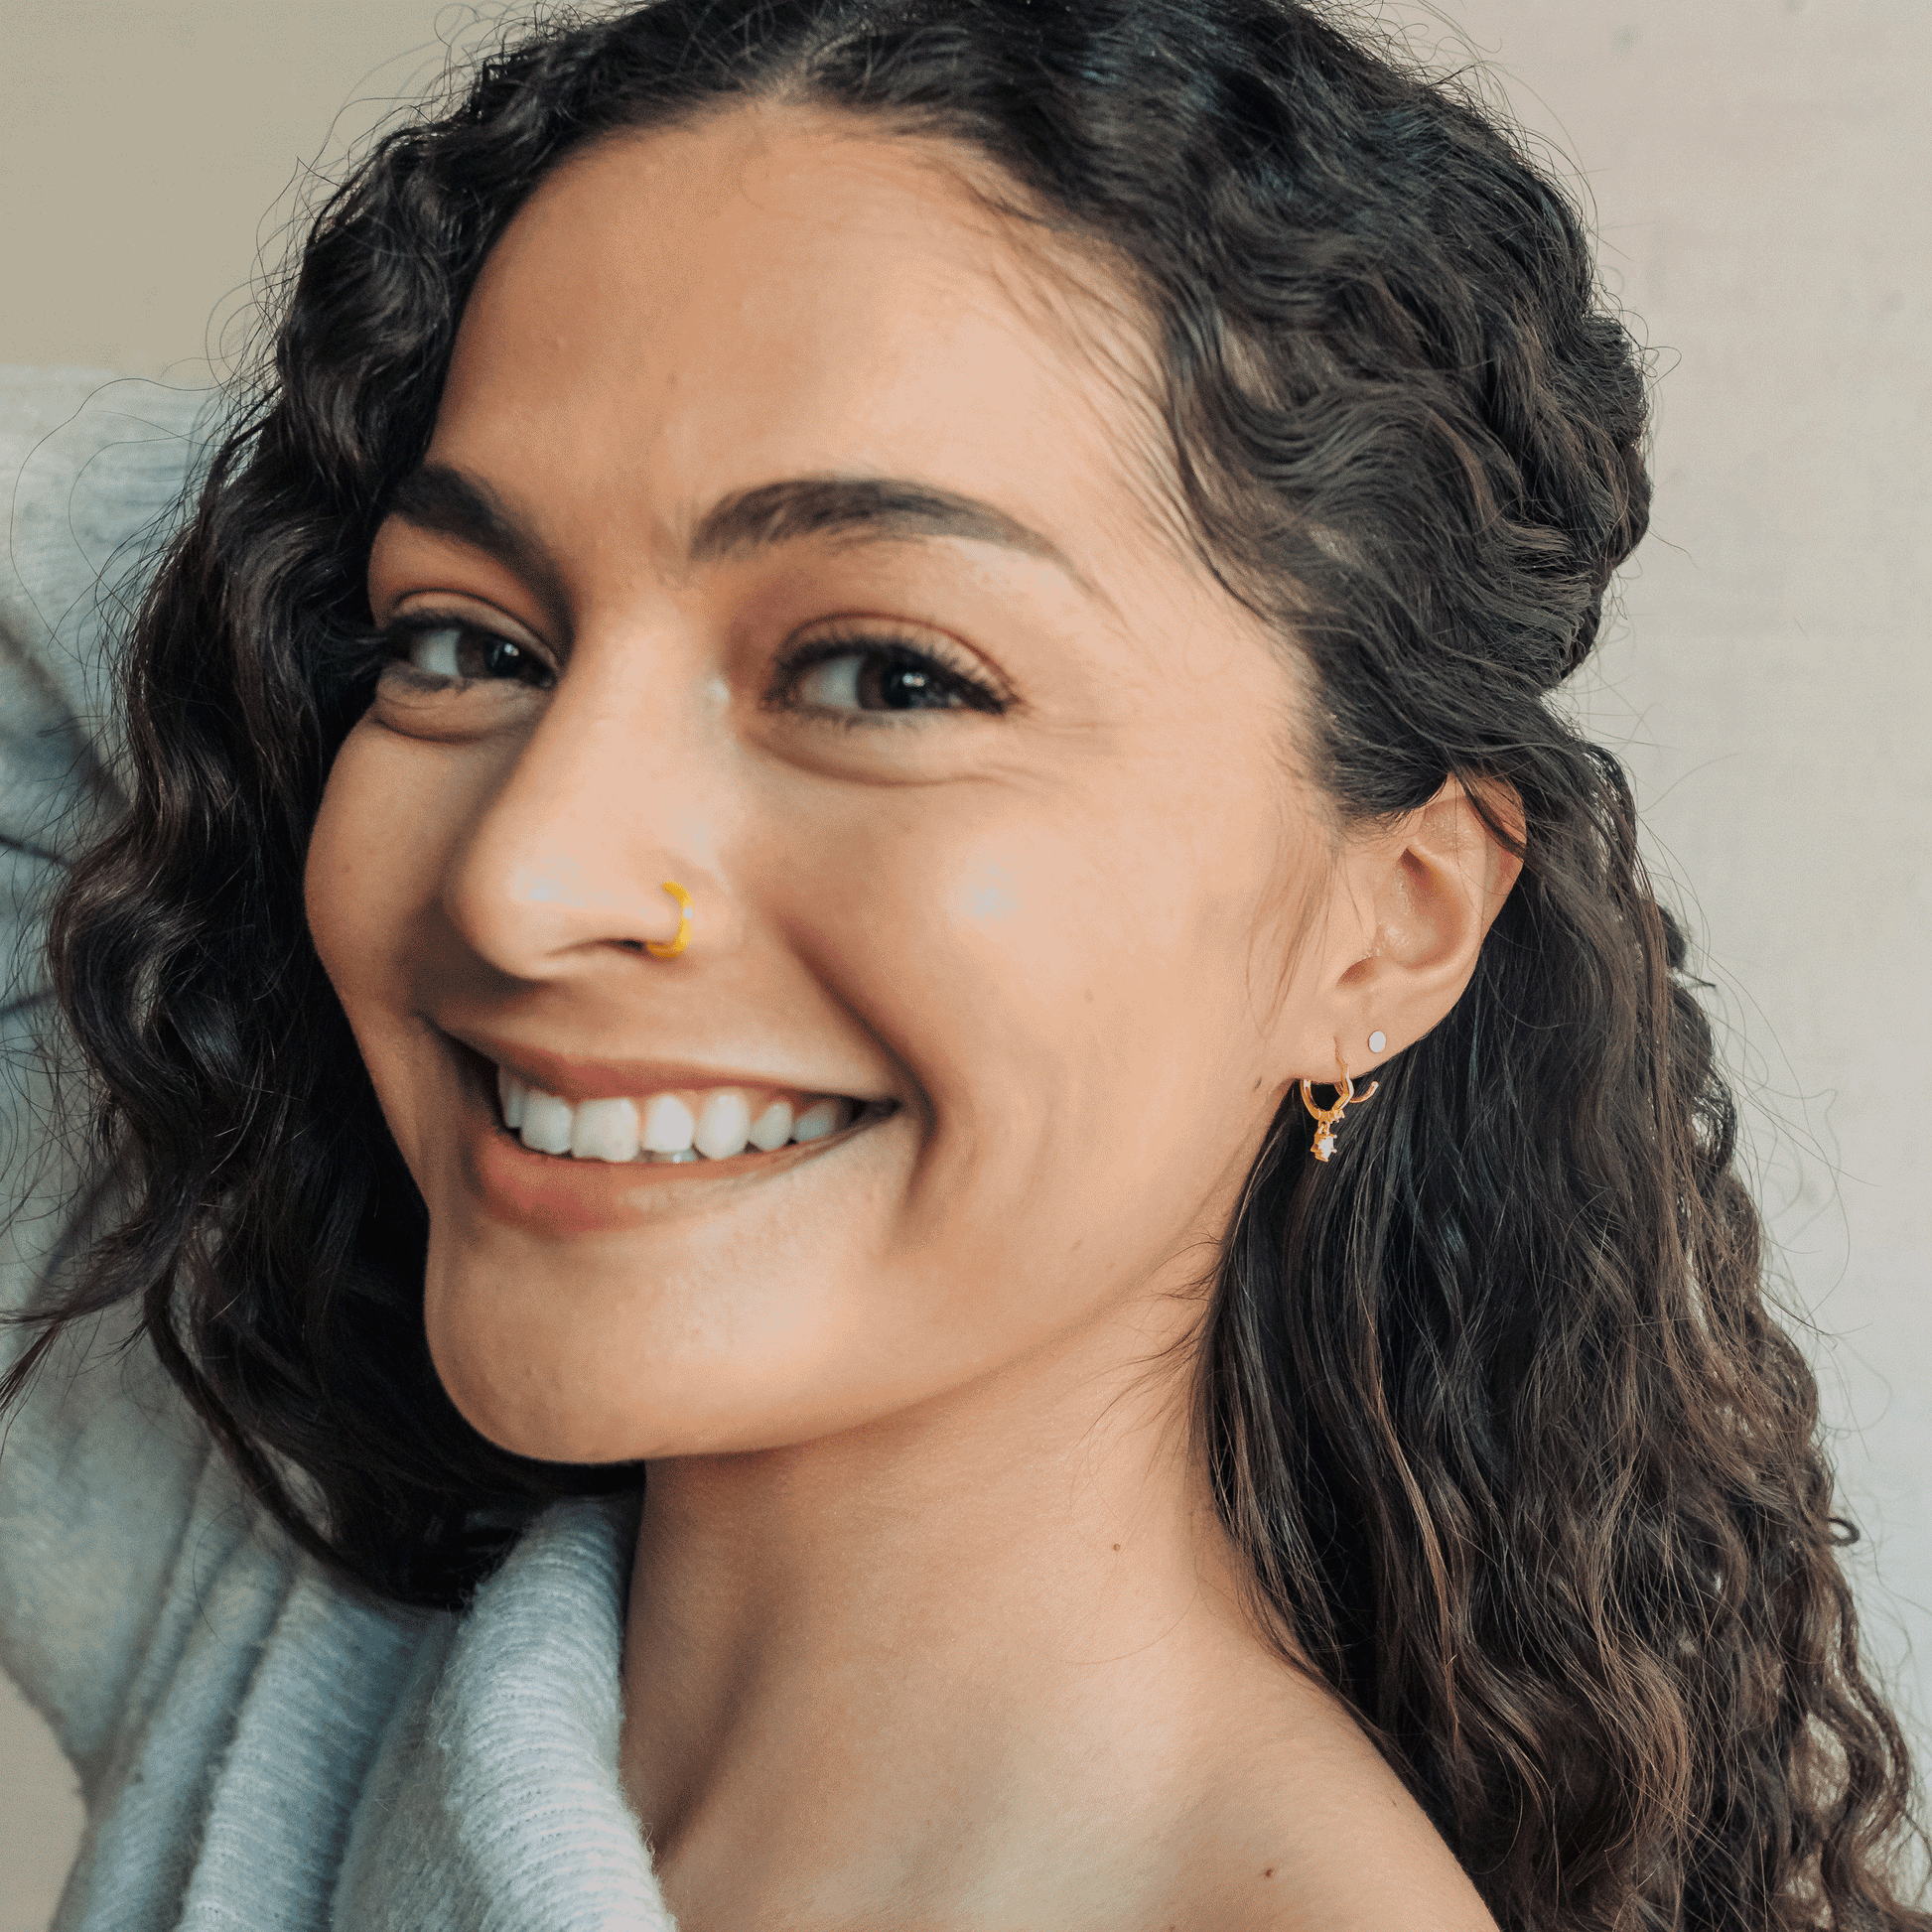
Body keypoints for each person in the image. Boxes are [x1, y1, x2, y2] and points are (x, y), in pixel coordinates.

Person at [2, 0, 1926, 1925]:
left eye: (886, 675)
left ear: (1390, 919)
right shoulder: (284, 1594)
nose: (523, 879)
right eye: (462, 642)